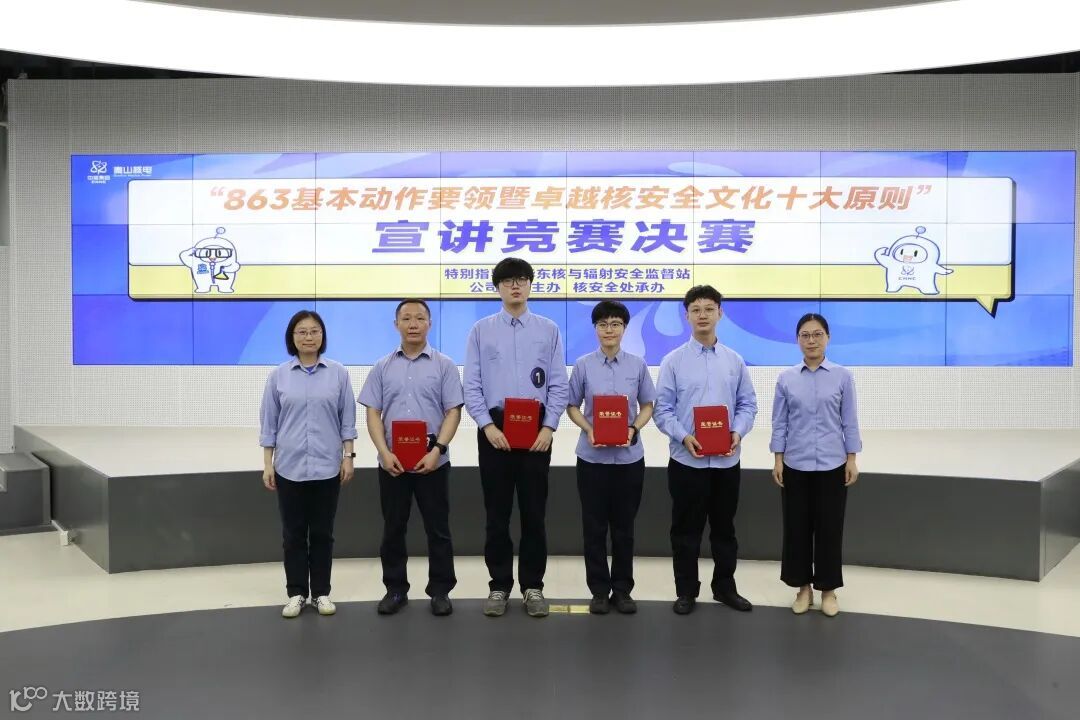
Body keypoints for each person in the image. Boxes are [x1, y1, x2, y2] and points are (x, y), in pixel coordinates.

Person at [463, 257, 569, 618]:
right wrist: (487, 426)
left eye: (522, 279)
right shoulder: (481, 330)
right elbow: (472, 384)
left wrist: (549, 427)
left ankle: (532, 587)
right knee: (497, 514)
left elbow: (558, 383)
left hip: (536, 430)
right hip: (495, 429)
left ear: (530, 285)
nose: (515, 286)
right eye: (508, 281)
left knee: (534, 514)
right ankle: (499, 586)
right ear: (498, 287)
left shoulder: (548, 329)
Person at [654, 285, 758, 615]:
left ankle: (725, 587)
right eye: (696, 309)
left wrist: (737, 432)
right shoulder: (673, 361)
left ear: (720, 313)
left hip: (727, 462)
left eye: (709, 309)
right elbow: (662, 410)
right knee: (685, 531)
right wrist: (684, 436)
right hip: (687, 462)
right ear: (686, 315)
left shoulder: (734, 361)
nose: (702, 315)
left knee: (725, 530)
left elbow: (748, 404)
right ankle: (686, 591)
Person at [358, 299, 463, 617]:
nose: (413, 324)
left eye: (419, 318)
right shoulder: (382, 366)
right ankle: (395, 589)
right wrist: (383, 452)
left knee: (438, 530)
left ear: (429, 323)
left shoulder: (444, 365)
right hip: (392, 464)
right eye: (406, 318)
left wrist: (438, 450)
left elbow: (453, 411)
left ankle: (441, 591)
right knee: (393, 529)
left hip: (433, 463)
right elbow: (373, 413)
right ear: (396, 325)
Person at [259, 310, 357, 619]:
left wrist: (348, 457)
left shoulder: (338, 373)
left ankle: (322, 593)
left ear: (322, 336)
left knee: (323, 534)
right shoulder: (278, 376)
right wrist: (268, 464)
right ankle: (297, 593)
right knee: (293, 535)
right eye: (301, 332)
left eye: (314, 331)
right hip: (288, 467)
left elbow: (347, 420)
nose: (308, 337)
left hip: (327, 466)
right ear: (292, 337)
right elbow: (269, 424)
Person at [566, 300, 655, 614]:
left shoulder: (637, 365)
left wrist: (633, 428)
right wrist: (588, 428)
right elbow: (571, 405)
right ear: (595, 329)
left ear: (624, 328)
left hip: (629, 460)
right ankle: (599, 591)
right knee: (594, 529)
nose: (609, 330)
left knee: (624, 529)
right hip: (592, 460)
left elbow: (648, 404)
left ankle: (623, 590)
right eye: (603, 324)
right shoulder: (583, 365)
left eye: (615, 324)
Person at [770, 313, 862, 618]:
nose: (812, 340)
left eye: (817, 334)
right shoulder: (786, 378)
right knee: (796, 530)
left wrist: (852, 459)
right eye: (805, 335)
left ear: (828, 338)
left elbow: (849, 420)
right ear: (798, 340)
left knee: (829, 530)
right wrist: (778, 459)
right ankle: (803, 589)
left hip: (833, 465)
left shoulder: (842, 376)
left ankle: (828, 590)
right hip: (795, 465)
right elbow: (780, 422)